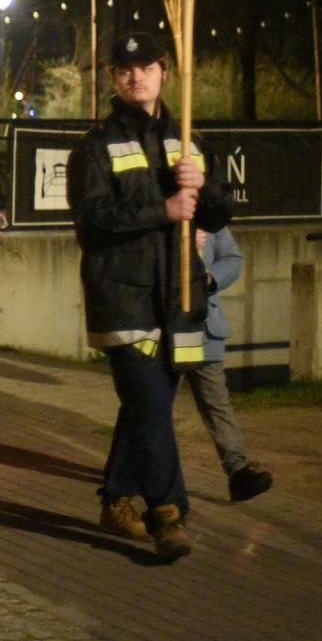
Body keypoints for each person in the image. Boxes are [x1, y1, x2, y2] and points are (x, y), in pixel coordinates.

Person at [66, 31, 233, 561]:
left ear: (164, 71)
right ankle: (168, 514)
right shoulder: (95, 146)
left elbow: (219, 214)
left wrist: (201, 185)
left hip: (177, 300)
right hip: (124, 302)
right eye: (123, 69)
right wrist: (161, 210)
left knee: (147, 406)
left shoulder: (188, 138)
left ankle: (116, 498)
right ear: (113, 78)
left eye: (144, 67)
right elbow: (92, 221)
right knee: (152, 410)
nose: (134, 76)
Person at [190, 226, 274, 502]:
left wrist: (212, 278)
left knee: (217, 403)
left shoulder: (208, 212)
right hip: (168, 329)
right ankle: (124, 477)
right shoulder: (160, 203)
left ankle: (238, 472)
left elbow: (233, 259)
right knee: (151, 409)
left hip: (205, 330)